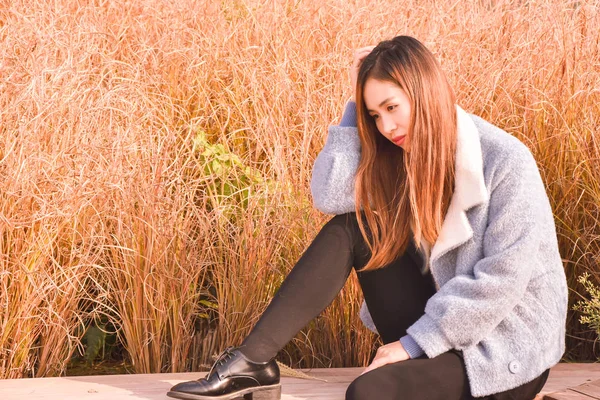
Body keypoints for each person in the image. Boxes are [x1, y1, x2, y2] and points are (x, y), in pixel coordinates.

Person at [167, 35, 568, 400]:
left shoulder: (505, 160)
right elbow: (331, 196)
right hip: (438, 328)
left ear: (424, 93)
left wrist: (411, 345)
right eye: (374, 115)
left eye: (391, 107)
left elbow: (500, 281)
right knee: (354, 227)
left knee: (368, 393)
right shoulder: (401, 153)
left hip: (501, 350)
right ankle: (253, 363)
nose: (386, 127)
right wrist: (352, 110)